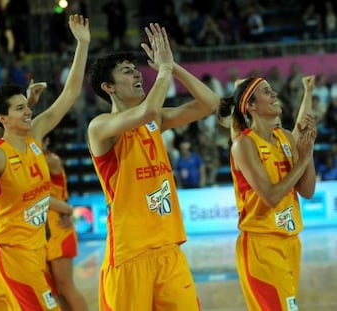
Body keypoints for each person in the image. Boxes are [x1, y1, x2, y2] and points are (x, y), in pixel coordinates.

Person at [87, 22, 219, 310]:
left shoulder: (154, 120)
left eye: (136, 69)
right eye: (127, 71)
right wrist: (165, 71)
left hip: (169, 248)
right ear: (108, 87)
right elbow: (147, 109)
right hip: (129, 254)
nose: (137, 73)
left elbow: (210, 103)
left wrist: (174, 66)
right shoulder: (101, 127)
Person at [0, 14, 90, 310]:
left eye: (27, 106)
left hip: (38, 248)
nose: (28, 111)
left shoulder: (36, 137)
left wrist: (82, 44)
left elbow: (71, 94)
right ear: (3, 118)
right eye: (19, 109)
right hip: (13, 254)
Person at [217, 77, 317, 310]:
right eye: (266, 92)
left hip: (291, 243)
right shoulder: (244, 145)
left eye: (272, 90)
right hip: (261, 246)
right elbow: (271, 196)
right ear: (251, 106)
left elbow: (308, 191)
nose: (274, 94)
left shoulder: (284, 138)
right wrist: (302, 161)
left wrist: (307, 154)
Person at [43, 134, 88, 311]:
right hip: (47, 228)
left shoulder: (49, 160)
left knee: (66, 288)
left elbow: (39, 194)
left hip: (58, 227)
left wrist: (68, 210)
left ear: (47, 141)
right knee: (57, 291)